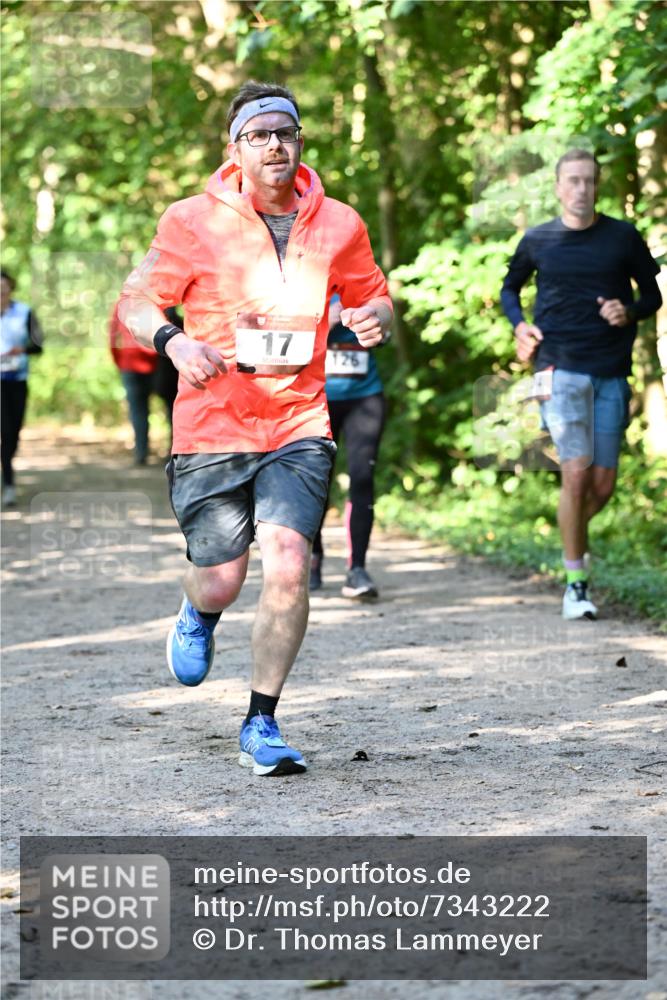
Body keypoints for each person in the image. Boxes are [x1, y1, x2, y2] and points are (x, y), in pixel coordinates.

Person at [119, 80, 392, 776]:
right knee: (220, 576)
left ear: (299, 142)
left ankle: (261, 721)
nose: (275, 143)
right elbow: (135, 300)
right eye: (259, 133)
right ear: (235, 148)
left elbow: (373, 297)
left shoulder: (339, 222)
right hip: (211, 424)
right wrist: (174, 342)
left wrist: (373, 320)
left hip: (298, 421)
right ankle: (198, 613)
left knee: (290, 563)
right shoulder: (189, 220)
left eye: (286, 132)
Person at [500, 148, 662, 620]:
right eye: (572, 180)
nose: (581, 189)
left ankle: (570, 539)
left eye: (589, 181)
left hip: (611, 368)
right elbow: (510, 288)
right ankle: (576, 583)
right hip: (557, 366)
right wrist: (520, 326)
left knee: (603, 484)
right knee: (575, 470)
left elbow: (651, 293)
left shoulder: (623, 238)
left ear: (597, 186)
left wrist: (627, 310)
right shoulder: (538, 239)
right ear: (557, 187)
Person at [310, 294, 388, 599]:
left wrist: (373, 325)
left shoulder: (364, 279)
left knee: (362, 477)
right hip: (314, 399)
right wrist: (324, 321)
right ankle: (312, 558)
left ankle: (357, 569)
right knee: (315, 481)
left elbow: (384, 332)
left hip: (364, 396)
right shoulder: (300, 273)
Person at [109, 303, 180, 464]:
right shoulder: (160, 302)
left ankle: (141, 453)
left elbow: (113, 336)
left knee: (138, 410)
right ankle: (173, 452)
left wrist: (119, 360)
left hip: (131, 362)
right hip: (158, 363)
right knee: (171, 406)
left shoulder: (123, 303)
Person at [1, 270, 43, 506]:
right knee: (5, 431)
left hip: (16, 380)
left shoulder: (24, 312)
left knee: (13, 434)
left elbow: (39, 345)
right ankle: (8, 484)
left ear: (11, 290)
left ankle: (5, 464)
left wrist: (22, 350)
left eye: (4, 291)